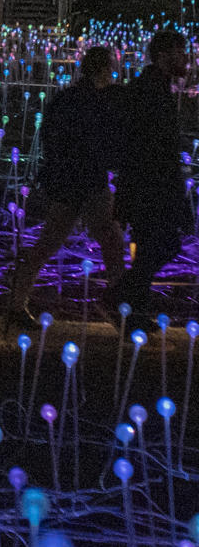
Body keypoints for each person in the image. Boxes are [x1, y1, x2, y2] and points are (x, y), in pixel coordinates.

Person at [4, 46, 126, 331]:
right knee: (112, 240)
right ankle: (121, 306)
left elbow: (49, 137)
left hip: (66, 180)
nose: (114, 73)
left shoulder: (66, 98)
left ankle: (16, 303)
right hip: (87, 180)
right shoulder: (98, 102)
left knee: (50, 242)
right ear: (104, 69)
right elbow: (102, 142)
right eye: (112, 67)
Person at [108, 29, 191, 327]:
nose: (187, 59)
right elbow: (151, 147)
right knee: (164, 246)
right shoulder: (150, 90)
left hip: (147, 186)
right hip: (150, 187)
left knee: (147, 249)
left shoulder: (155, 87)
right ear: (164, 55)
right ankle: (118, 298)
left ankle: (134, 315)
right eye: (181, 52)